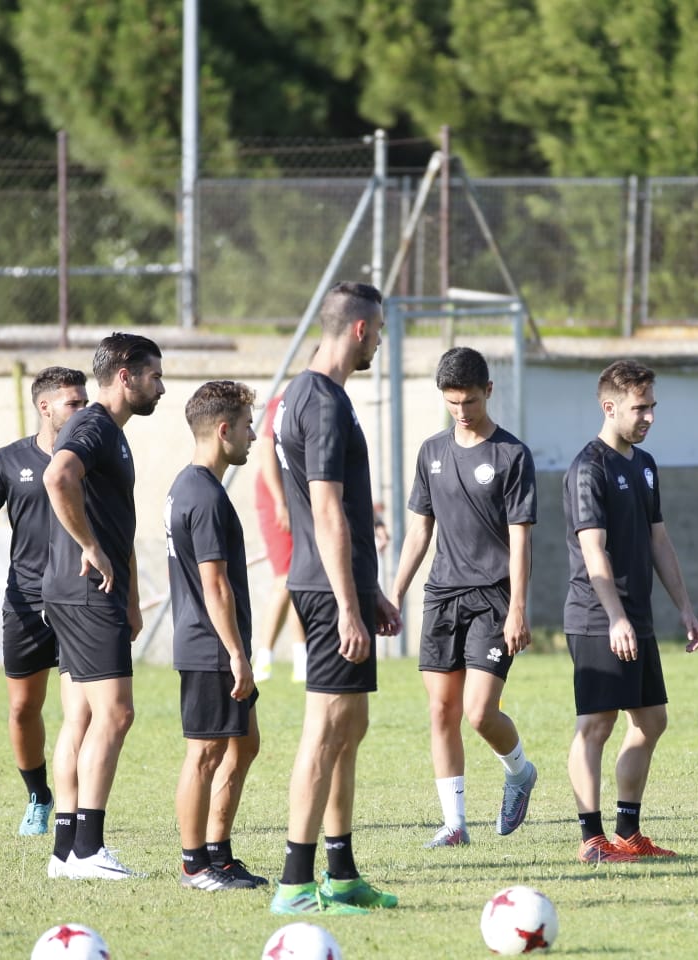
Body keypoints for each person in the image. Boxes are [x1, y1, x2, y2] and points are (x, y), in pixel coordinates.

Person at [268, 281, 402, 915]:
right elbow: (324, 506)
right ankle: (295, 883)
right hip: (326, 591)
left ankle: (342, 874)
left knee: (351, 726)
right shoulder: (319, 401)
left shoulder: (315, 394)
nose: (379, 341)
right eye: (377, 331)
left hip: (338, 584)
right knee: (324, 731)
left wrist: (369, 589)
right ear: (358, 330)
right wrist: (348, 603)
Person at [390, 346, 539, 847]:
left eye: (470, 401)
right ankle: (455, 825)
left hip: (494, 597)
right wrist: (394, 593)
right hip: (442, 595)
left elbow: (521, 538)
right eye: (452, 402)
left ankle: (519, 772)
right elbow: (419, 531)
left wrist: (518, 606)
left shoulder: (512, 455)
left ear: (489, 391)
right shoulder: (431, 452)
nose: (462, 412)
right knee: (441, 711)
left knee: (478, 712)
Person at [563, 359, 698, 864]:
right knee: (595, 725)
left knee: (651, 719)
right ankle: (591, 839)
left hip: (635, 618)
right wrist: (616, 616)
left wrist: (684, 607)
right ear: (610, 406)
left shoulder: (644, 465)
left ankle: (628, 833)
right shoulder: (588, 468)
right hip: (597, 617)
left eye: (652, 406)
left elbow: (658, 540)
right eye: (639, 407)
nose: (648, 417)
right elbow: (593, 550)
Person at [42, 332, 165, 881]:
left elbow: (119, 524)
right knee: (116, 713)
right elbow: (57, 476)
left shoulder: (110, 433)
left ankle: (66, 852)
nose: (160, 387)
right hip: (86, 590)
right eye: (154, 375)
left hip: (81, 592)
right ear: (124, 374)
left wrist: (133, 598)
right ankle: (89, 850)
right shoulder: (92, 426)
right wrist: (89, 547)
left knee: (83, 717)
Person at [0, 366, 89, 836]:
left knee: (82, 711)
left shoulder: (93, 456)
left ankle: (80, 805)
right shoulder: (8, 460)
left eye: (84, 400)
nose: (82, 409)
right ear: (45, 406)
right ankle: (39, 796)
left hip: (80, 600)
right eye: (73, 402)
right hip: (26, 602)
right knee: (22, 709)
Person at [165, 380, 269, 892]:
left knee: (244, 744)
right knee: (205, 753)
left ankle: (219, 854)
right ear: (224, 429)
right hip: (211, 647)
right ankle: (194, 865)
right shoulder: (202, 494)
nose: (253, 436)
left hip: (218, 644)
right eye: (248, 426)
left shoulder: (195, 486)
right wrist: (236, 654)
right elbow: (214, 583)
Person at [252, 388, 308, 684]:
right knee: (285, 578)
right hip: (279, 500)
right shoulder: (285, 401)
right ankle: (264, 658)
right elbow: (265, 449)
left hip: (301, 498)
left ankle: (302, 660)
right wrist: (279, 501)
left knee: (300, 578)